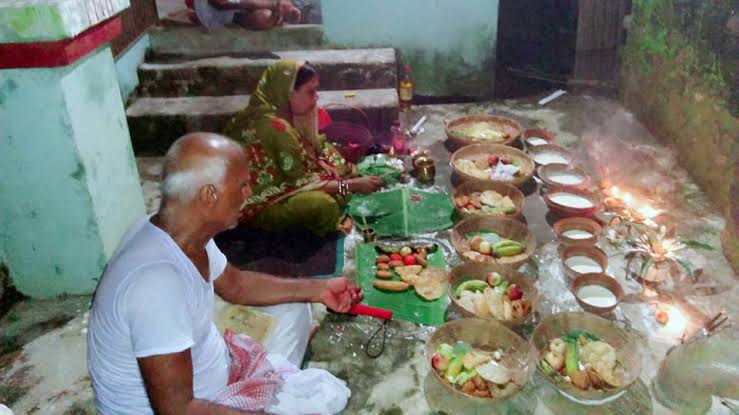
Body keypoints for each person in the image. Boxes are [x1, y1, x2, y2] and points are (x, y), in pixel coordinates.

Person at [87, 132, 362, 414]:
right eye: (242, 186)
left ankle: (272, 382)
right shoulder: (157, 285)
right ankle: (273, 386)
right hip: (192, 406)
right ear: (209, 195)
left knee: (295, 307)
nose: (248, 194)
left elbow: (237, 285)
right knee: (320, 398)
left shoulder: (182, 232)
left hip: (215, 368)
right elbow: (178, 410)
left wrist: (320, 289)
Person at [223, 60, 383, 236]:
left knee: (329, 154)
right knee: (323, 205)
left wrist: (324, 164)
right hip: (260, 204)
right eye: (311, 92)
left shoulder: (276, 110)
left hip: (289, 178)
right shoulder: (277, 128)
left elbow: (311, 146)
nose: (316, 97)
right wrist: (352, 185)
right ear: (288, 93)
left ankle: (340, 186)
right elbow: (302, 184)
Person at [194, 0, 302, 32]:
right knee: (260, 17)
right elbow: (219, 5)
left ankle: (280, 13)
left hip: (233, 10)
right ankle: (276, 14)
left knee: (262, 14)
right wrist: (273, 5)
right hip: (216, 13)